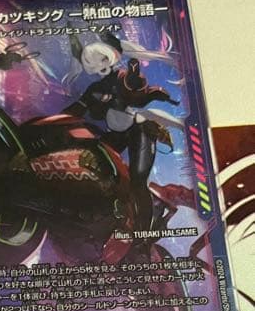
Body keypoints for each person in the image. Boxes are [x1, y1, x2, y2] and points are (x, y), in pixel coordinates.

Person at [64, 31, 179, 232]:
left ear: (110, 56)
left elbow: (136, 93)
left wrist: (136, 79)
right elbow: (76, 110)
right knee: (99, 171)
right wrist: (51, 124)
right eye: (93, 62)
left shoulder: (122, 77)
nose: (100, 65)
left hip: (138, 131)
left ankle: (144, 232)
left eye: (102, 59)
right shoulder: (94, 89)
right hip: (115, 134)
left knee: (138, 181)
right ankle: (121, 215)